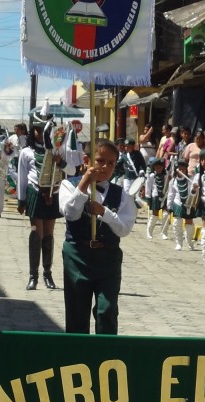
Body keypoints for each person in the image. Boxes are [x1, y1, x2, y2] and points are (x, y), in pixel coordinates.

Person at [58, 138, 136, 334]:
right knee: (77, 312)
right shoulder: (69, 185)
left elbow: (124, 229)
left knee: (106, 310)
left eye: (111, 163)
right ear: (87, 160)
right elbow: (70, 213)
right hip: (77, 254)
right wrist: (84, 183)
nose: (105, 167)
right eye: (100, 160)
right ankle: (77, 357)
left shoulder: (122, 195)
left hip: (107, 257)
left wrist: (105, 213)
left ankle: (105, 355)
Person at [17, 119, 69, 290]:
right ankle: (33, 276)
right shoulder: (26, 152)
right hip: (35, 192)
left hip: (52, 193)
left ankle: (48, 274)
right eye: (37, 130)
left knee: (48, 234)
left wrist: (60, 161)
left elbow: (71, 170)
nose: (40, 134)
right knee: (35, 233)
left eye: (43, 130)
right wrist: (21, 199)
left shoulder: (58, 150)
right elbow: (22, 177)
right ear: (33, 132)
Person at [166, 154, 198, 252]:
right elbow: (171, 194)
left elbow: (194, 194)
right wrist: (169, 206)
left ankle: (189, 242)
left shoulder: (191, 180)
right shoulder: (173, 181)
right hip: (178, 203)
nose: (181, 171)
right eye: (179, 169)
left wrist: (194, 189)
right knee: (177, 223)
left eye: (183, 169)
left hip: (188, 204)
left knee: (189, 224)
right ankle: (179, 243)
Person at [144, 156, 169, 240]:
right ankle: (149, 231)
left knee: (165, 214)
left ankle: (164, 232)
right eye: (156, 167)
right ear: (153, 167)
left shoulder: (166, 176)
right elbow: (148, 187)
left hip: (164, 196)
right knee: (155, 215)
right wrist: (148, 197)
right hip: (155, 196)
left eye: (160, 167)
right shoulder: (151, 176)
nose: (158, 168)